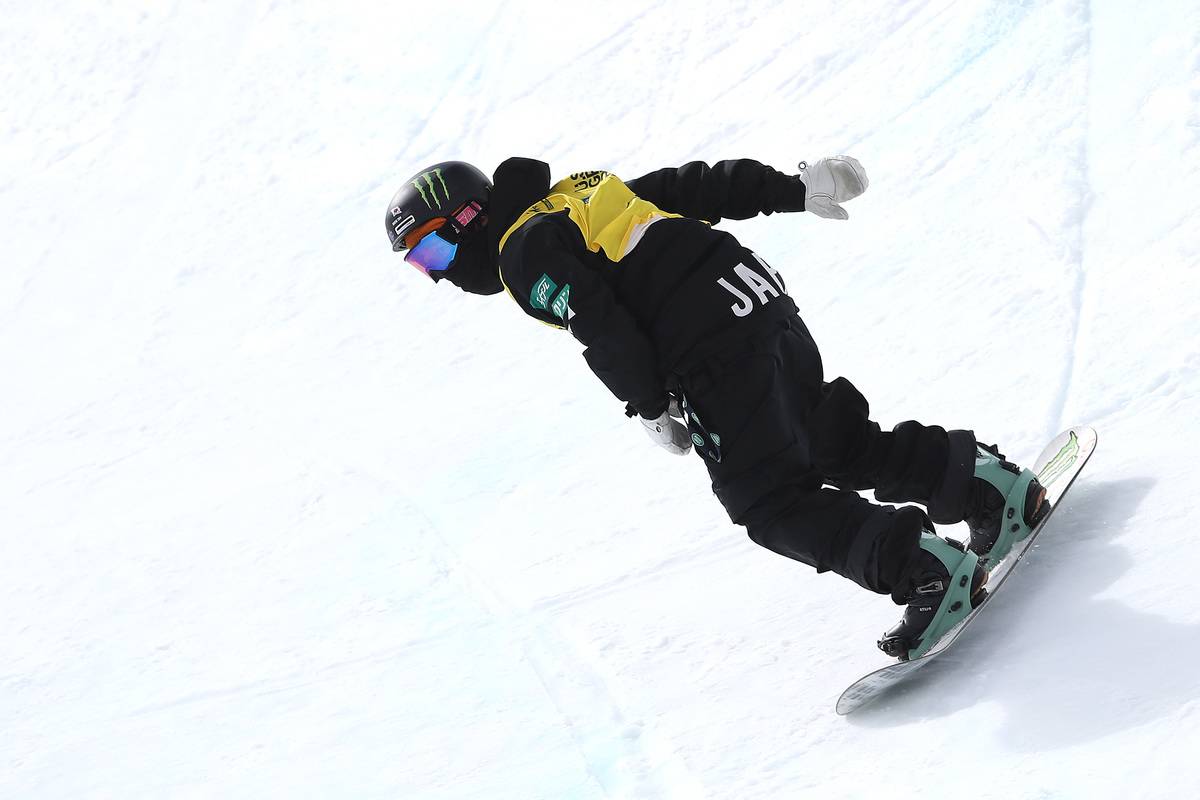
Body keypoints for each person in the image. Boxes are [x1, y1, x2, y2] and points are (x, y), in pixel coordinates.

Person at [383, 156, 1049, 660]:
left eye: (435, 251)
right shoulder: (578, 194)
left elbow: (600, 322)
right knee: (830, 441)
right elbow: (693, 189)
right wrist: (794, 187)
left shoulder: (520, 253)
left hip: (709, 341)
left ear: (470, 219)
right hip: (757, 297)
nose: (440, 274)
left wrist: (647, 405)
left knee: (768, 501)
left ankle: (926, 571)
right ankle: (991, 489)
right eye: (422, 267)